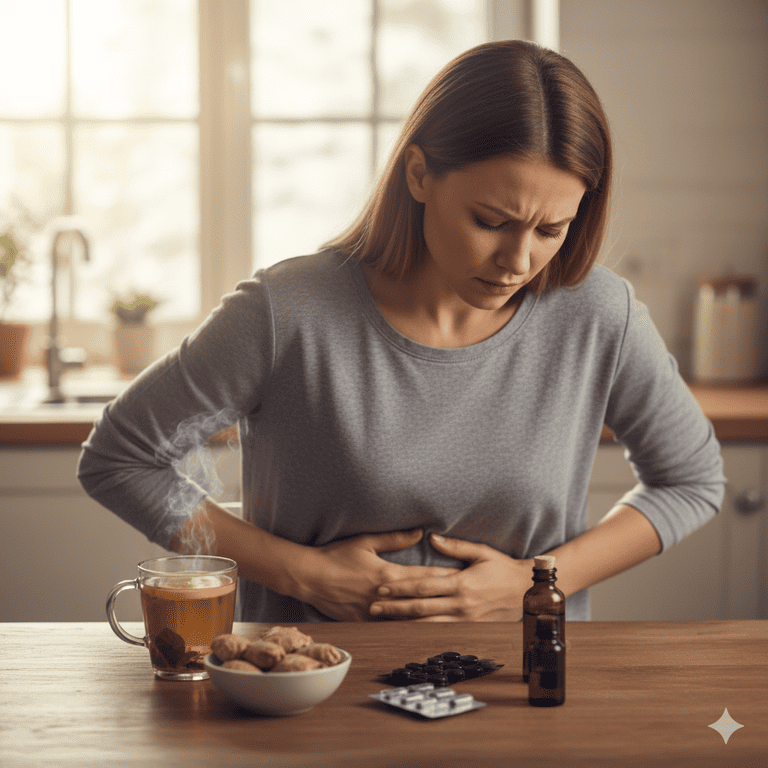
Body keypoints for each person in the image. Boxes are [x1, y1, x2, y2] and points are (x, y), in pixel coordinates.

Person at [78, 40, 725, 624]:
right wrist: (301, 574)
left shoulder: (598, 315)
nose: (519, 261)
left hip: (524, 694)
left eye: (550, 230)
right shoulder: (287, 311)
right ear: (419, 174)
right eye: (491, 220)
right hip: (307, 698)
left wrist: (536, 582)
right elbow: (119, 460)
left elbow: (693, 481)